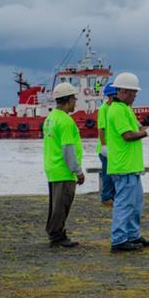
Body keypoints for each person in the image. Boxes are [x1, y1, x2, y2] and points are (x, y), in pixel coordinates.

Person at [106, 72, 149, 252]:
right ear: (123, 91)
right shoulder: (117, 110)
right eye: (133, 92)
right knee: (124, 204)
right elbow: (128, 135)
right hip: (124, 166)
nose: (135, 95)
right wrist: (148, 132)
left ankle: (132, 235)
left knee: (135, 204)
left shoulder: (126, 109)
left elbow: (136, 129)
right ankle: (119, 240)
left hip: (131, 165)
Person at [43, 82, 86, 248]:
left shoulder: (50, 118)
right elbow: (68, 149)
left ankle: (54, 232)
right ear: (68, 100)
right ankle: (57, 236)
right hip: (63, 169)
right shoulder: (66, 121)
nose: (75, 102)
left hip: (52, 167)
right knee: (62, 205)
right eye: (74, 99)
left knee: (55, 205)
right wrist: (78, 171)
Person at [97, 83, 118, 206]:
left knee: (113, 173)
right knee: (108, 174)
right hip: (106, 149)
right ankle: (106, 197)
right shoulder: (104, 109)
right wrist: (104, 146)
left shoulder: (114, 108)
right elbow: (101, 128)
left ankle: (113, 196)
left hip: (114, 148)